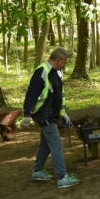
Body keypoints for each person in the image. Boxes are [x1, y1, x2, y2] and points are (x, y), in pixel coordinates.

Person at [20, 47, 80, 188]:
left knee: (46, 144)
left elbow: (57, 94)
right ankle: (62, 177)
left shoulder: (56, 72)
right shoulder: (41, 72)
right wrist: (27, 114)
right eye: (64, 62)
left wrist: (62, 113)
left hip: (51, 113)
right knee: (57, 144)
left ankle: (38, 170)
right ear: (58, 60)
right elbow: (32, 93)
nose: (65, 64)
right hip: (43, 114)